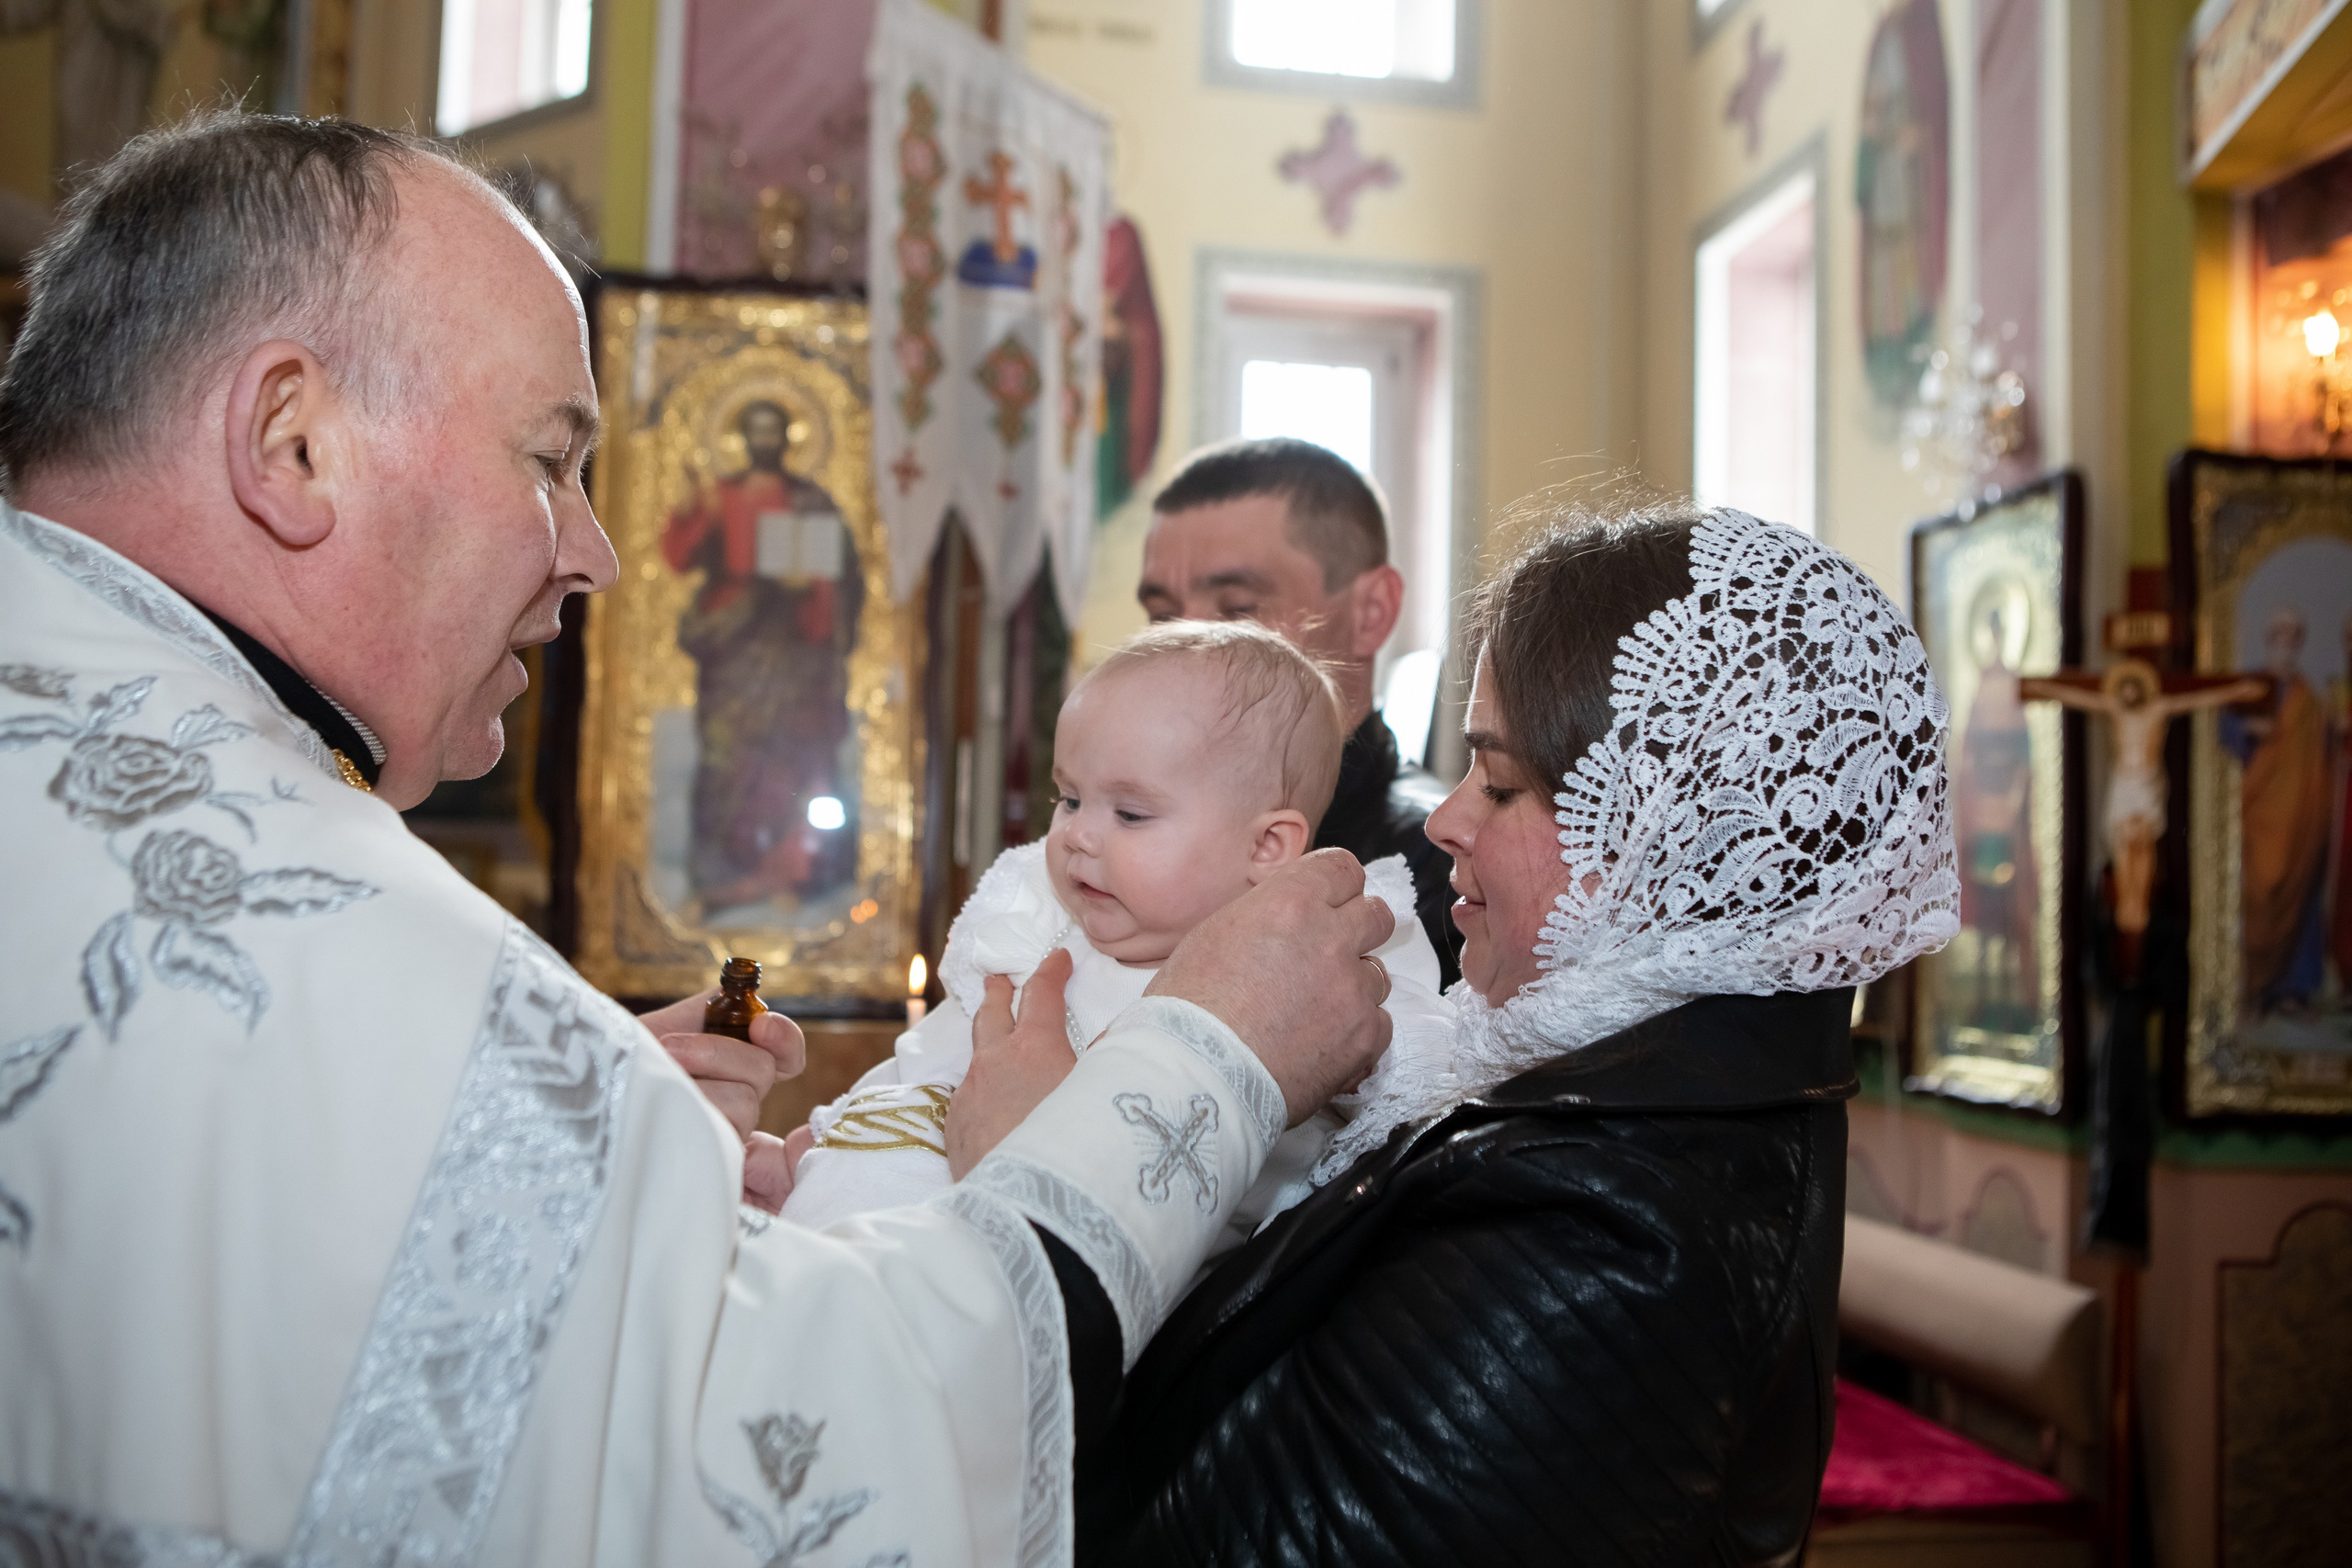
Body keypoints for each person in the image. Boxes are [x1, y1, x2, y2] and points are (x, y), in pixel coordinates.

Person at [0, 112, 1394, 1564]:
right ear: (291, 442)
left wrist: (573, 1146)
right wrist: (1213, 1056)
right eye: (552, 459)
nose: (595, 550)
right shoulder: (325, 934)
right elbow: (810, 1450)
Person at [982, 503, 1963, 1562]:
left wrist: (1045, 1186)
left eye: (1498, 781)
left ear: (1654, 835)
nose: (1446, 818)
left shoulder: (1606, 1240)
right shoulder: (1561, 1099)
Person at [781, 621, 1453, 1259]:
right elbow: (932, 1054)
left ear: (1268, 846)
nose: (1077, 833)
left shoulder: (1323, 963)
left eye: (1130, 812)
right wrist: (825, 1140)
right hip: (859, 1244)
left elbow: (1405, 1087)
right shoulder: (1040, 924)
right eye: (1069, 798)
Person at [1138, 437, 1462, 986]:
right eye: (1163, 616)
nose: (1184, 649)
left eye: (1239, 609)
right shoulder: (1120, 834)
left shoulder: (1443, 873)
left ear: (1372, 611)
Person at [662, 397, 859, 915]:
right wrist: (689, 508)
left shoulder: (811, 501)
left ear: (789, 439)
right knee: (726, 760)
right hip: (734, 646)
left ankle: (787, 874)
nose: (766, 440)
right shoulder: (718, 497)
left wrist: (813, 586)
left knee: (789, 760)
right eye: (757, 430)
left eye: (776, 431)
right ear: (744, 437)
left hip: (791, 648)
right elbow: (678, 556)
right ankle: (715, 884)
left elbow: (842, 579)